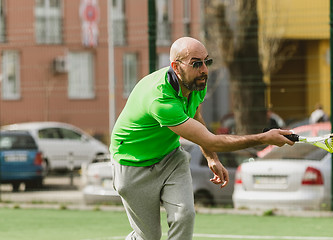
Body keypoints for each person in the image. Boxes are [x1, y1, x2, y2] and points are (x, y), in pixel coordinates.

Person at [109, 37, 294, 240]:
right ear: (176, 67)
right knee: (148, 237)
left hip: (170, 158)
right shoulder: (160, 100)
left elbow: (196, 117)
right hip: (132, 164)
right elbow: (212, 140)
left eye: (207, 61)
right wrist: (265, 138)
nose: (204, 70)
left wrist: (211, 157)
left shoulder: (196, 82)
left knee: (184, 216)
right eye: (196, 63)